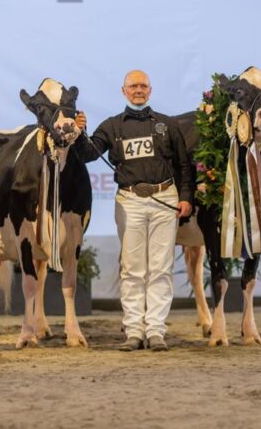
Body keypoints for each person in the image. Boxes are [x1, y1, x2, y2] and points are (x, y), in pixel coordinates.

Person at [74, 70, 193, 352]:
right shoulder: (112, 126)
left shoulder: (168, 124)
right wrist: (81, 133)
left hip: (165, 197)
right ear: (123, 91)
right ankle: (134, 331)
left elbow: (184, 164)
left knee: (161, 269)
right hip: (130, 201)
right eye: (133, 86)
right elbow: (88, 154)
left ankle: (156, 331)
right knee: (132, 269)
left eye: (143, 86)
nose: (138, 90)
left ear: (150, 91)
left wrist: (186, 197)